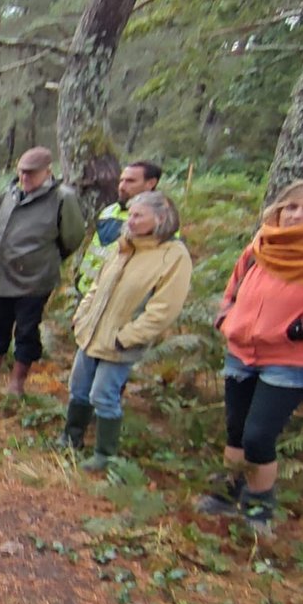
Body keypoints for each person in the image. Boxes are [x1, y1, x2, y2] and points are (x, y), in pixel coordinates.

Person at [195, 177, 303, 534]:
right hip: (241, 350)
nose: (297, 215)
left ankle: (258, 509)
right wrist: (225, 316)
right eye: (290, 206)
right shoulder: (262, 243)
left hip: (290, 359)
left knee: (258, 436)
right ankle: (226, 494)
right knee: (235, 431)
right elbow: (234, 286)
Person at [64, 191, 193, 472]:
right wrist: (82, 316)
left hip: (121, 341)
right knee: (79, 389)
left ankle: (104, 454)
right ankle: (70, 440)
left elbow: (164, 309)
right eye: (131, 214)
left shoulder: (173, 256)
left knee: (104, 395)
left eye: (138, 215)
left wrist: (128, 337)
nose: (131, 221)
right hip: (92, 332)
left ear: (160, 218)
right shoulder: (124, 246)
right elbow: (97, 286)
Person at [0, 146, 88, 395]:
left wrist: (43, 259)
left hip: (34, 279)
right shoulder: (9, 194)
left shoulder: (62, 198)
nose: (25, 178)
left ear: (47, 172)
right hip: (2, 273)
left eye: (31, 173)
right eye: (22, 172)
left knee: (27, 329)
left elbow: (72, 237)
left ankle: (17, 381)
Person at [77, 161, 164, 297]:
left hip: (119, 297)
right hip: (88, 292)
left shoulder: (159, 219)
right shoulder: (109, 211)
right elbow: (96, 251)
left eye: (130, 181)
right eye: (121, 181)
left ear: (151, 183)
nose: (122, 186)